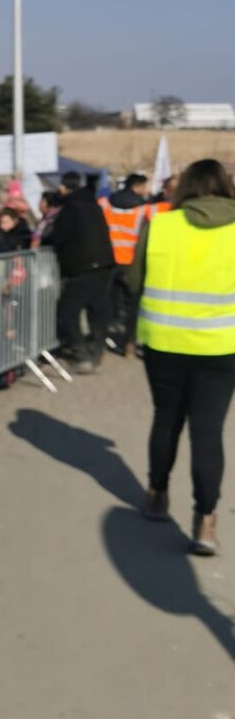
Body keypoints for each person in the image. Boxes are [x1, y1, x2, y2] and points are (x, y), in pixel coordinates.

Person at [128, 158, 235, 555]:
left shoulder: (160, 225)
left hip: (164, 341)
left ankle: (157, 494)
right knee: (208, 432)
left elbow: (134, 280)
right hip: (222, 347)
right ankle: (205, 523)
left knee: (166, 418)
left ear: (185, 186)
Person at [43, 171, 115, 373]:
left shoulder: (70, 209)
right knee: (97, 310)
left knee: (67, 311)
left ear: (64, 188)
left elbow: (60, 237)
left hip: (82, 266)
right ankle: (97, 349)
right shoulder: (93, 205)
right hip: (103, 265)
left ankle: (81, 352)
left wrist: (47, 242)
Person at [100, 173, 165, 355]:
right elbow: (169, 210)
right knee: (132, 306)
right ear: (137, 187)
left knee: (104, 303)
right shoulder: (145, 209)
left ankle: (101, 340)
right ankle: (129, 341)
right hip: (133, 263)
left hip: (110, 261)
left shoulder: (105, 203)